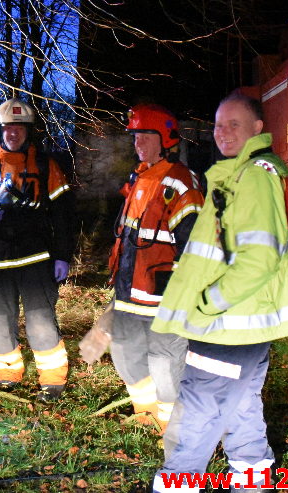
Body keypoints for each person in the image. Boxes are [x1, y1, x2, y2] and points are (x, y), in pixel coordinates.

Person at [150, 93, 288, 492]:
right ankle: (253, 475)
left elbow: (259, 258)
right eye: (218, 124)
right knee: (241, 403)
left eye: (234, 124)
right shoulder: (257, 170)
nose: (222, 132)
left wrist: (209, 304)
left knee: (199, 410)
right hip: (246, 327)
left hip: (227, 325)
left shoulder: (254, 175)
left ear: (258, 128)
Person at [0, 97, 76, 402]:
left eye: (19, 128)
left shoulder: (45, 165)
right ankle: (7, 376)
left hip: (35, 259)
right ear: (0, 130)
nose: (13, 133)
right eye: (8, 127)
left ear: (29, 131)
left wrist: (63, 255)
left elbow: (64, 214)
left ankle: (51, 382)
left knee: (40, 319)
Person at [107, 103, 203, 434]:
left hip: (163, 293)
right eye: (135, 136)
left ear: (165, 139)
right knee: (123, 351)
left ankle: (172, 427)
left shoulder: (180, 182)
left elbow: (193, 243)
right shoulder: (139, 176)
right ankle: (144, 413)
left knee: (165, 362)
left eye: (144, 136)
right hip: (129, 288)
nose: (137, 143)